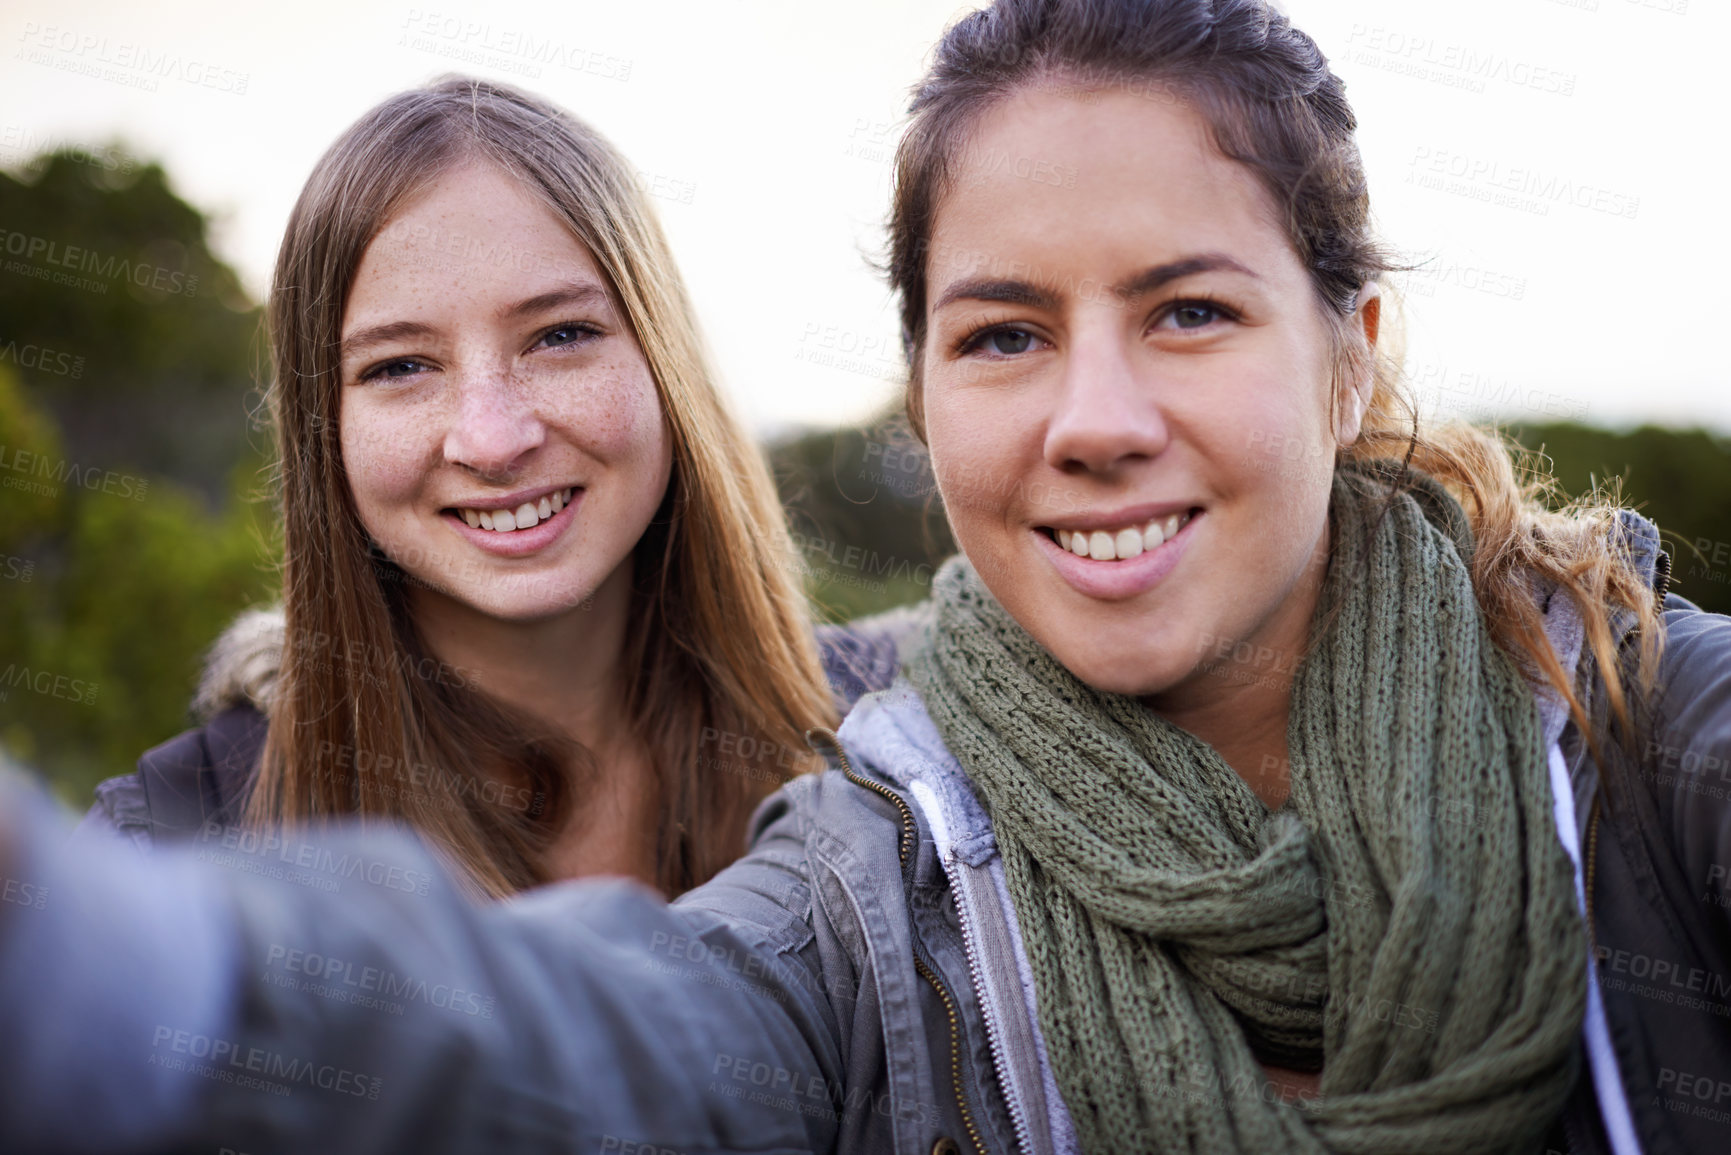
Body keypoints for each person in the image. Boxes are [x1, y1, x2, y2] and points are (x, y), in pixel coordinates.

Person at [1, 2, 1727, 1152]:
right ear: (924, 392)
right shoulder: (884, 853)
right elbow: (632, 1039)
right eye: (1004, 333)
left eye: (1189, 309)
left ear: (1351, 354)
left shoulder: (1650, 735)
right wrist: (115, 969)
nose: (1096, 419)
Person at [71, 76, 909, 899]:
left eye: (559, 335)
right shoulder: (163, 858)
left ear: (664, 363)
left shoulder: (891, 750)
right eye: (400, 365)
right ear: (323, 425)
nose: (495, 439)